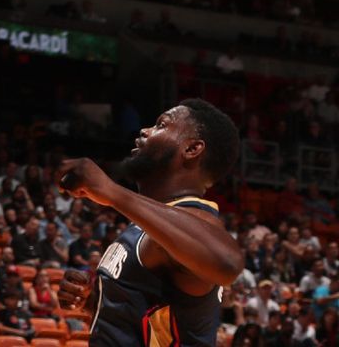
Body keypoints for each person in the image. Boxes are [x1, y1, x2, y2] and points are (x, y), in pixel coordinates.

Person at [57, 99, 244, 346]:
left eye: (161, 125)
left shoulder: (195, 216)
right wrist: (95, 301)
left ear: (192, 149)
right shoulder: (151, 223)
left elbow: (227, 263)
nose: (145, 131)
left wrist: (111, 191)